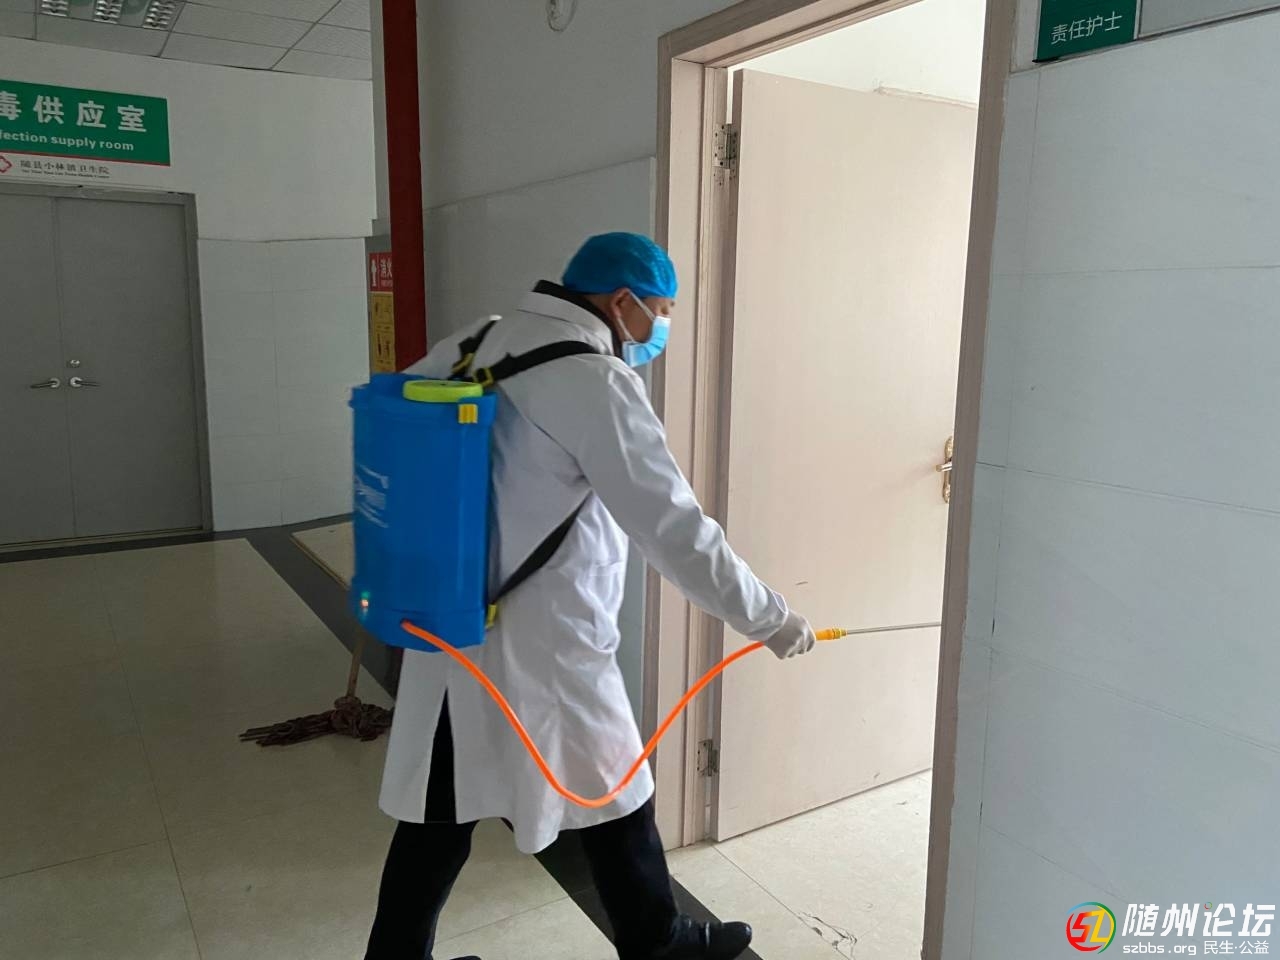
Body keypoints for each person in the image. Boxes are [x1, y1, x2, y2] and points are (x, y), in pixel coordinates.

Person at [366, 233, 816, 960]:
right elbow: (673, 529)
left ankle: (397, 956)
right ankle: (658, 942)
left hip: (449, 613)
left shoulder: (476, 340)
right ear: (623, 302)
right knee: (614, 783)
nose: (658, 328)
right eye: (660, 311)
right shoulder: (596, 381)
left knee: (441, 801)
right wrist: (770, 617)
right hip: (547, 635)